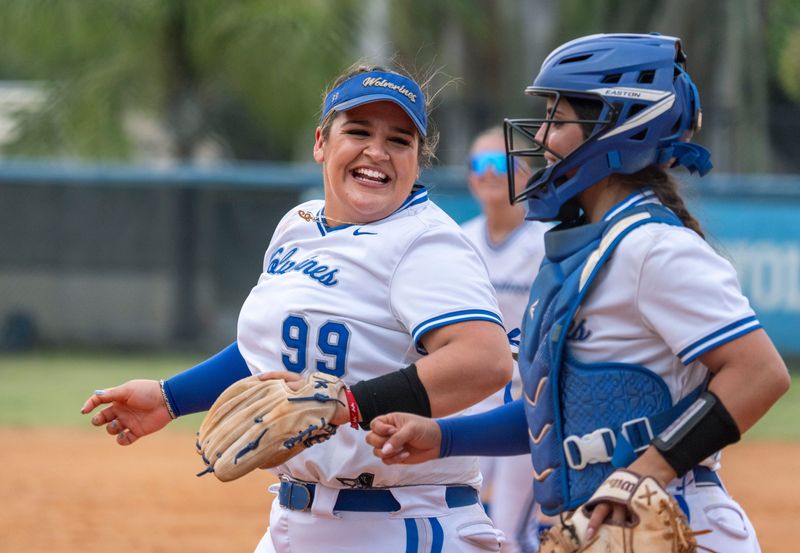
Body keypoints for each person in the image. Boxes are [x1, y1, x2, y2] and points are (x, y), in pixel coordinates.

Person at [366, 33, 790, 552]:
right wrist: (446, 438)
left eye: (557, 119)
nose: (540, 135)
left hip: (675, 525)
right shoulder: (582, 249)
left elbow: (761, 373)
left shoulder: (653, 247)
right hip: (602, 528)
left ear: (616, 128)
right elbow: (556, 416)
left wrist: (645, 473)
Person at [81, 63, 513, 553]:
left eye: (399, 140)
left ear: (417, 160)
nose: (377, 151)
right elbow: (267, 352)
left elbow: (485, 360)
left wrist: (347, 404)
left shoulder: (426, 243)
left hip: (401, 524)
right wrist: (169, 397)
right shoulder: (299, 224)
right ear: (321, 143)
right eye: (358, 131)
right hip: (294, 520)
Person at [461, 127, 550, 553]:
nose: (492, 173)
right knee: (461, 523)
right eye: (482, 165)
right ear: (470, 178)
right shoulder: (458, 241)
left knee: (511, 534)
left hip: (526, 409)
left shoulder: (548, 243)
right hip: (470, 405)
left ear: (527, 174)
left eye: (504, 164)